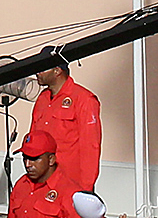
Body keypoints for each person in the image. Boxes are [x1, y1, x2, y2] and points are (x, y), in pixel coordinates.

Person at [30, 62, 104, 200]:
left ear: (57, 71)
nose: (37, 72)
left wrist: (86, 189)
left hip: (71, 184)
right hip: (43, 182)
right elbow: (33, 142)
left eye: (43, 68)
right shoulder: (42, 98)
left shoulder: (84, 99)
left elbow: (91, 147)